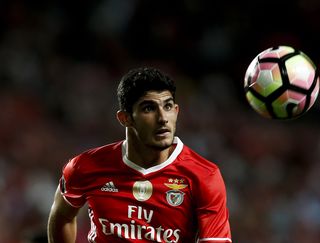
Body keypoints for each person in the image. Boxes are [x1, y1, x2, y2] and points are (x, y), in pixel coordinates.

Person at [47, 67, 232, 243]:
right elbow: (62, 216)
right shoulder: (84, 167)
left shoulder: (204, 176)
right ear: (125, 118)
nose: (162, 118)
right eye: (148, 108)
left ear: (176, 111)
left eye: (167, 107)